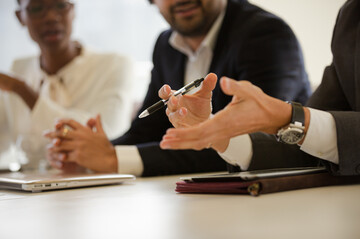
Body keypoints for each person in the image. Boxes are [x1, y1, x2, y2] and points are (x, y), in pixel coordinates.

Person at [45, 0, 312, 176]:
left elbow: (252, 142)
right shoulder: (165, 46)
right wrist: (88, 153)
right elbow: (148, 129)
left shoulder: (265, 34)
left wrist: (113, 158)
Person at [159, 0, 360, 176]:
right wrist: (217, 133)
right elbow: (309, 146)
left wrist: (289, 118)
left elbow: (310, 130)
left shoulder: (263, 31)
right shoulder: (352, 15)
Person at [0, 0, 133, 170]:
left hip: (97, 189)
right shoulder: (18, 69)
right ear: (20, 17)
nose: (50, 17)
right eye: (37, 8)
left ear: (73, 10)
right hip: (31, 191)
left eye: (61, 5)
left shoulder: (114, 65)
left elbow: (107, 135)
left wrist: (23, 90)